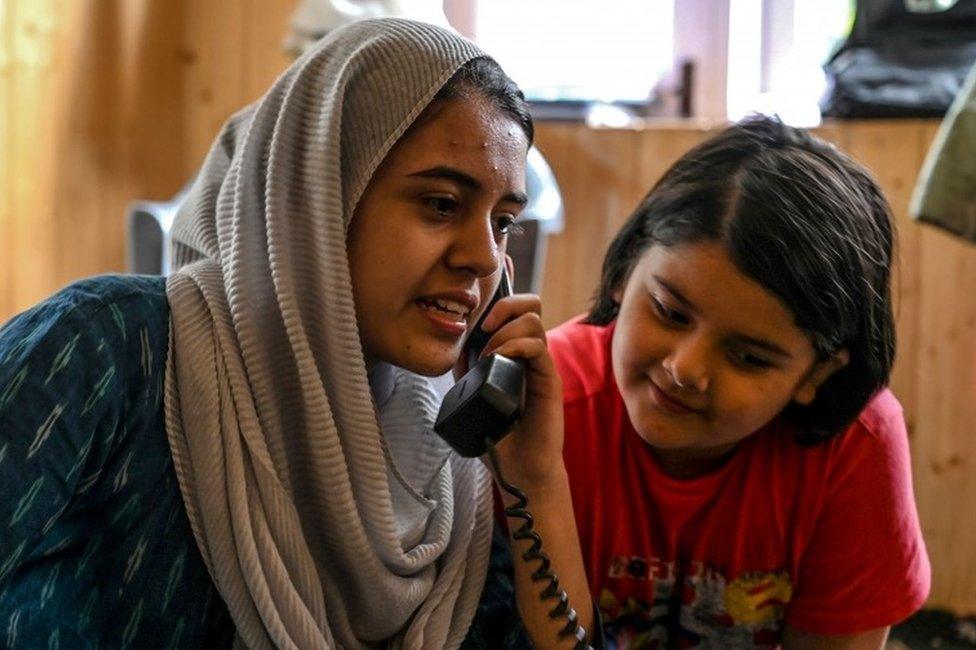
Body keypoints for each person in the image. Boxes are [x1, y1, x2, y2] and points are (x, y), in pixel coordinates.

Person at [0, 18, 594, 649]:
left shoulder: (445, 466)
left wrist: (538, 481)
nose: (483, 256)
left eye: (504, 224)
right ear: (317, 198)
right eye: (441, 204)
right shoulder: (102, 349)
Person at [549, 116, 930, 648]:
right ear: (625, 271)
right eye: (670, 313)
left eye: (748, 357)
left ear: (818, 374)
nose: (685, 369)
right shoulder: (546, 403)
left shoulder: (855, 442)